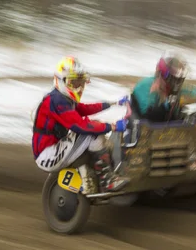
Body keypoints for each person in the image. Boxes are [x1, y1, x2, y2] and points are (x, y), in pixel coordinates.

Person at [31, 56, 129, 192]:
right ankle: (107, 180)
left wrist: (113, 104)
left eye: (80, 82)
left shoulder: (61, 98)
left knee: (94, 131)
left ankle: (93, 175)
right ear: (60, 80)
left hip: (55, 148)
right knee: (93, 133)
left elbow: (84, 109)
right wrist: (112, 126)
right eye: (74, 83)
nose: (78, 87)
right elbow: (80, 125)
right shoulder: (56, 101)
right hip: (48, 154)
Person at [131, 51, 196, 122]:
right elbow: (150, 117)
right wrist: (155, 95)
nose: (176, 83)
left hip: (166, 124)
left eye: (178, 79)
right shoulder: (145, 85)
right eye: (174, 78)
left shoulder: (173, 88)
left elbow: (194, 92)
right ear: (164, 75)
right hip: (147, 125)